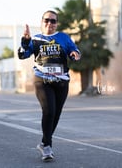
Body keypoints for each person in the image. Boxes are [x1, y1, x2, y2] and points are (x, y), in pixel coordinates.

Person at [18, 10, 81, 161]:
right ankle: (47, 148)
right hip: (42, 80)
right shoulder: (36, 39)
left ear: (57, 24)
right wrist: (25, 41)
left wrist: (75, 54)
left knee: (56, 114)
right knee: (49, 111)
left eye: (53, 21)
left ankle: (44, 142)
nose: (50, 24)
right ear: (42, 22)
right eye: (47, 20)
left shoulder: (63, 38)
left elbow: (74, 50)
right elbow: (22, 54)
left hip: (61, 81)